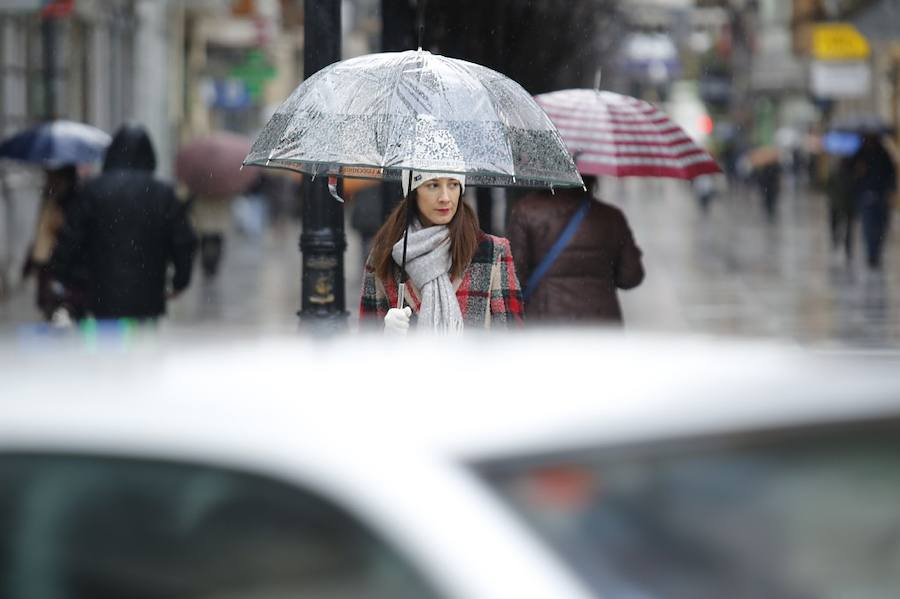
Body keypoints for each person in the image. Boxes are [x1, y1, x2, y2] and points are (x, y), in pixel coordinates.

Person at [50, 123, 197, 321]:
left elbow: (71, 237)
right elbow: (183, 241)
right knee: (143, 347)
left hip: (100, 296)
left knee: (103, 347)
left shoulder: (93, 190)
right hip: (148, 298)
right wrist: (180, 282)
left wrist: (61, 275)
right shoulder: (163, 194)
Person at [359, 171, 523, 334]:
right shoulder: (384, 256)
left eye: (453, 184)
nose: (445, 197)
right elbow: (364, 348)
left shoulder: (491, 251)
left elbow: (511, 342)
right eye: (433, 185)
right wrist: (386, 336)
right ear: (413, 190)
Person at [507, 175, 644, 325]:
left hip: (546, 322)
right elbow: (631, 277)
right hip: (602, 324)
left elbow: (515, 277)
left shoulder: (525, 212)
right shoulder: (612, 217)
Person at [21, 165, 85, 320]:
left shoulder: (73, 200)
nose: (49, 179)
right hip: (50, 269)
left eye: (52, 175)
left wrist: (61, 226)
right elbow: (40, 234)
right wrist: (30, 263)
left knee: (64, 313)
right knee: (51, 312)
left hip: (63, 271)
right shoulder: (51, 198)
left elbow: (74, 236)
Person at [849, 134, 897, 269]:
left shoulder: (884, 153)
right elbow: (850, 171)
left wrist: (890, 190)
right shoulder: (860, 153)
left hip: (881, 195)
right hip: (865, 195)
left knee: (881, 225)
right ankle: (871, 254)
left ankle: (876, 252)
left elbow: (891, 173)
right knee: (868, 226)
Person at [825, 156, 856, 263]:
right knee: (847, 227)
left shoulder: (834, 171)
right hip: (846, 204)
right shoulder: (852, 173)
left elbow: (827, 187)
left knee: (837, 225)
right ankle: (846, 247)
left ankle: (837, 242)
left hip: (836, 205)